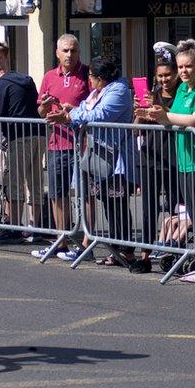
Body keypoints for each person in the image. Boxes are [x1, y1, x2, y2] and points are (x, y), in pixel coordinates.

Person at [138, 39, 195, 283]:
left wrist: (164, 116)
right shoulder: (183, 90)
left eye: (188, 67)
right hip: (184, 161)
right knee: (194, 215)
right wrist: (152, 115)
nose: (184, 71)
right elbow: (171, 120)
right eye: (181, 67)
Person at [45, 58, 134, 265]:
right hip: (98, 155)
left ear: (100, 78)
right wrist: (74, 112)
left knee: (117, 205)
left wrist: (70, 116)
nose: (89, 80)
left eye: (91, 76)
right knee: (107, 205)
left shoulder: (118, 91)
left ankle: (126, 251)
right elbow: (84, 108)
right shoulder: (97, 92)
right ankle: (116, 250)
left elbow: (99, 114)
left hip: (115, 156)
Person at [32, 35, 90, 259]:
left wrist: (72, 110)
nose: (69, 55)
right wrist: (45, 107)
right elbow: (40, 112)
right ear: (57, 53)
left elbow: (93, 104)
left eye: (73, 50)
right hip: (57, 143)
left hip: (82, 143)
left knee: (85, 195)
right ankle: (60, 239)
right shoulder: (49, 76)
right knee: (57, 194)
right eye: (65, 50)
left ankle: (86, 242)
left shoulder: (86, 74)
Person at [132, 45, 181, 272]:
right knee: (149, 209)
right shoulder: (150, 97)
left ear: (176, 74)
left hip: (174, 159)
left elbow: (173, 120)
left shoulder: (182, 96)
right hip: (149, 158)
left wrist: (158, 107)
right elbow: (136, 130)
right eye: (160, 76)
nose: (164, 80)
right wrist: (140, 112)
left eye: (168, 75)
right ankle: (145, 255)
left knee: (175, 208)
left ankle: (173, 253)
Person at [0, 62, 45, 240]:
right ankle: (35, 227)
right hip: (39, 133)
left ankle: (15, 227)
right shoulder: (26, 79)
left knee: (15, 181)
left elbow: (0, 117)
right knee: (35, 180)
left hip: (18, 136)